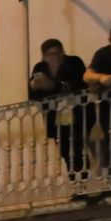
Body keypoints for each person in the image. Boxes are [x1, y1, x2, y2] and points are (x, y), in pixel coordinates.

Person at [30, 38, 91, 178]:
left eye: (58, 52)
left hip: (77, 115)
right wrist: (34, 86)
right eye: (51, 54)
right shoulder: (40, 68)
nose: (55, 57)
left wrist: (53, 86)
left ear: (63, 52)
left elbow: (79, 86)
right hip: (55, 118)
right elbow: (33, 95)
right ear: (44, 56)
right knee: (65, 151)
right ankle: (76, 185)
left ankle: (82, 185)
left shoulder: (74, 62)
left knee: (78, 149)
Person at [85, 21, 111, 175]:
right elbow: (87, 75)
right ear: (110, 40)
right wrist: (102, 78)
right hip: (108, 111)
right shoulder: (103, 54)